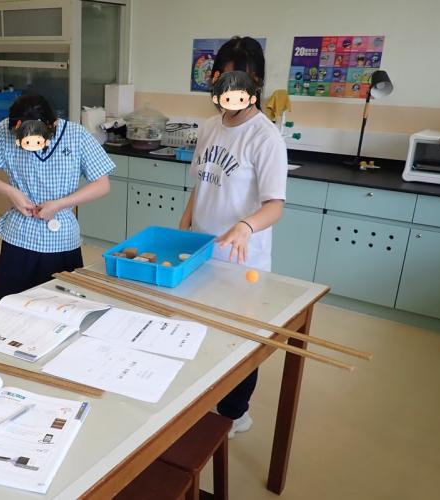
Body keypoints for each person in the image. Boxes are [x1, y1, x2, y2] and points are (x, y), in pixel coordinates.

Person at [180, 37, 287, 438]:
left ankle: (235, 413)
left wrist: (245, 226)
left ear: (255, 83)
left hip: (243, 261)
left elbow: (274, 206)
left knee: (238, 340)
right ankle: (201, 396)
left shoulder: (265, 137)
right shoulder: (210, 127)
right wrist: (184, 224)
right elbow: (202, 182)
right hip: (201, 252)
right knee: (199, 329)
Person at [0, 94, 114, 301]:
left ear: (52, 125)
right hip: (19, 237)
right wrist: (10, 192)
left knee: (61, 306)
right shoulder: (5, 129)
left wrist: (60, 204)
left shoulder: (76, 135)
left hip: (61, 240)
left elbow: (102, 184)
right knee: (12, 305)